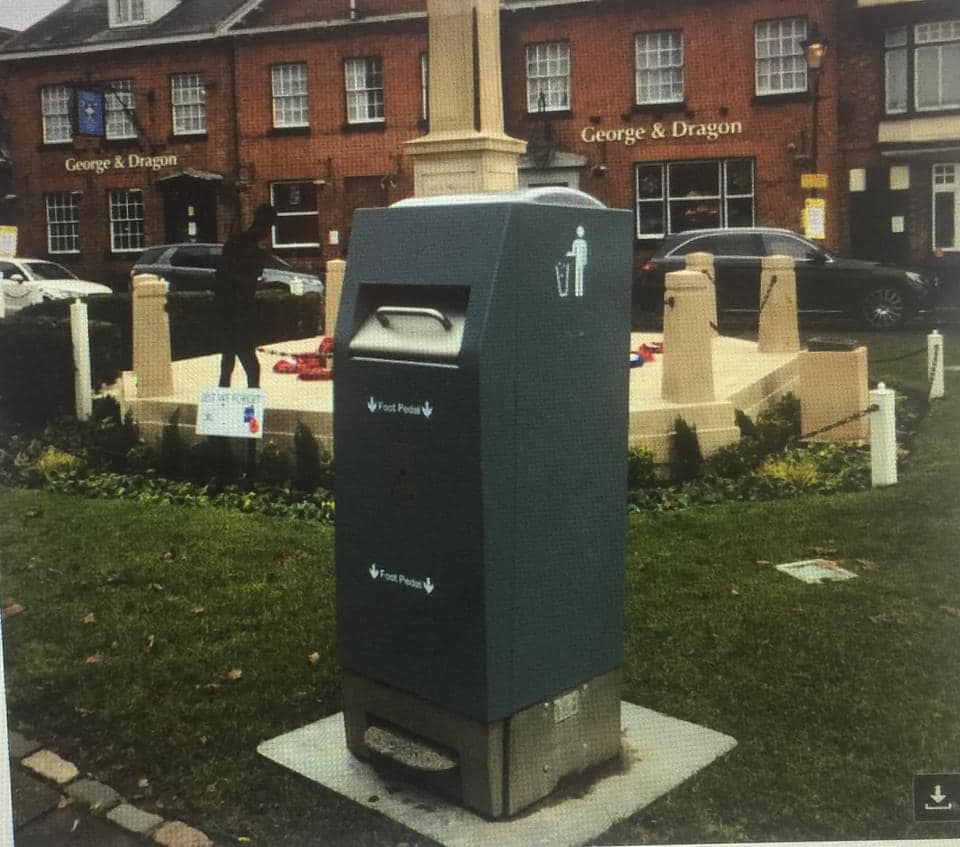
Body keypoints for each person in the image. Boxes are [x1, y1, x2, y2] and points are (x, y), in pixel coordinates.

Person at [214, 203, 278, 388]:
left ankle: (223, 400)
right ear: (265, 227)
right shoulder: (254, 252)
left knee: (227, 362)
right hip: (238, 314)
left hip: (227, 311)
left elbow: (222, 276)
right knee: (251, 366)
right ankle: (251, 411)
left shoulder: (234, 243)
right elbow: (244, 281)